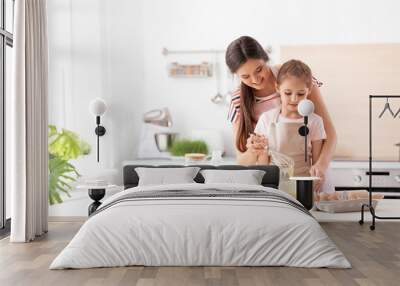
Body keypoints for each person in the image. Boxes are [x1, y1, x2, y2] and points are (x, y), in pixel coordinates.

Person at [225, 36, 337, 191]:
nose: (256, 79)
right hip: (276, 181)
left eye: (259, 69)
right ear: (236, 76)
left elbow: (330, 133)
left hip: (313, 173)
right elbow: (242, 160)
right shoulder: (239, 99)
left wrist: (320, 166)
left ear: (265, 58)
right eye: (245, 76)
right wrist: (253, 150)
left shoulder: (294, 76)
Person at [253, 59, 327, 192]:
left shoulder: (315, 121)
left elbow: (316, 164)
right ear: (277, 88)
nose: (294, 99)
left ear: (309, 90)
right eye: (288, 93)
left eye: (300, 94)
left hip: (304, 187)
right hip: (274, 187)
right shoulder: (266, 119)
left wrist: (317, 177)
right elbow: (263, 162)